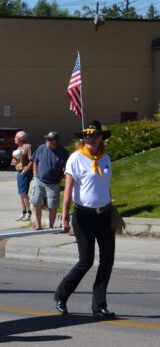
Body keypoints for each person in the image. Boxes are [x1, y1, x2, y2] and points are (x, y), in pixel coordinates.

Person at [54, 121, 118, 318]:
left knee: (107, 260)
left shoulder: (105, 158)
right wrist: (64, 216)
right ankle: (61, 296)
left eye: (95, 136)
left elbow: (104, 186)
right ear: (83, 139)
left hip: (104, 215)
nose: (91, 139)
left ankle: (99, 305)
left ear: (101, 138)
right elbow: (68, 191)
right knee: (86, 261)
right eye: (87, 136)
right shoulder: (76, 158)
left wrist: (111, 208)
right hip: (83, 216)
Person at [29, 131, 68, 230]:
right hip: (39, 181)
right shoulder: (41, 148)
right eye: (46, 139)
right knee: (37, 202)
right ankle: (39, 225)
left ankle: (51, 226)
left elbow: (67, 168)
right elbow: (35, 161)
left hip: (54, 183)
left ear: (55, 141)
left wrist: (60, 179)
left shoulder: (63, 152)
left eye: (49, 139)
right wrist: (35, 174)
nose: (46, 141)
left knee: (52, 206)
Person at [11, 131, 34, 221]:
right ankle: (23, 211)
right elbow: (15, 160)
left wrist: (26, 170)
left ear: (21, 138)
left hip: (25, 172)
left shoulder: (28, 146)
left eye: (16, 137)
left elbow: (32, 160)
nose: (14, 138)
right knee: (21, 193)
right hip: (19, 171)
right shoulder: (18, 147)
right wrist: (14, 161)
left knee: (24, 193)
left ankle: (29, 213)